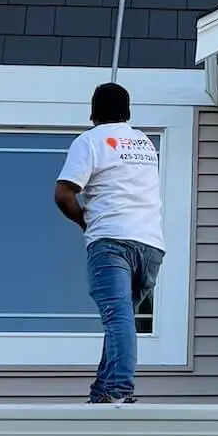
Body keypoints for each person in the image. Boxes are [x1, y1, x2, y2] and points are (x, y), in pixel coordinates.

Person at [54, 82, 165, 404]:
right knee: (123, 321)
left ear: (93, 114)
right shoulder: (144, 143)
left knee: (117, 319)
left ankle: (117, 391)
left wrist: (84, 220)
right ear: (128, 113)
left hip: (112, 242)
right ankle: (103, 392)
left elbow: (63, 194)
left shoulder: (90, 141)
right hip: (150, 245)